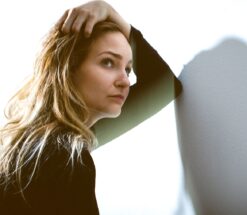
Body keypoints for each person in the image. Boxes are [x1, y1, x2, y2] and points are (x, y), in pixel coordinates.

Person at [0, 1, 182, 214]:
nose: (124, 81)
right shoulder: (65, 157)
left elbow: (164, 84)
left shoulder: (34, 141)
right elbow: (164, 84)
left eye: (128, 69)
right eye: (108, 62)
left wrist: (110, 12)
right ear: (68, 70)